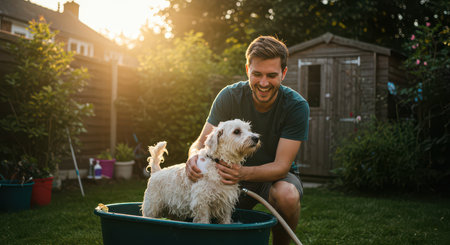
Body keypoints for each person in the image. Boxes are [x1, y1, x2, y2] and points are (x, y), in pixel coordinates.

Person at [185, 36, 309, 245]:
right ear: (247, 70)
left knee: (287, 196)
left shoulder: (296, 106)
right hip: (226, 174)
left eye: (272, 75)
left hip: (271, 177)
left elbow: (281, 166)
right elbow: (199, 144)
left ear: (284, 73)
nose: (263, 83)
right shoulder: (229, 96)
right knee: (195, 212)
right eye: (257, 74)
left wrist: (242, 173)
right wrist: (193, 159)